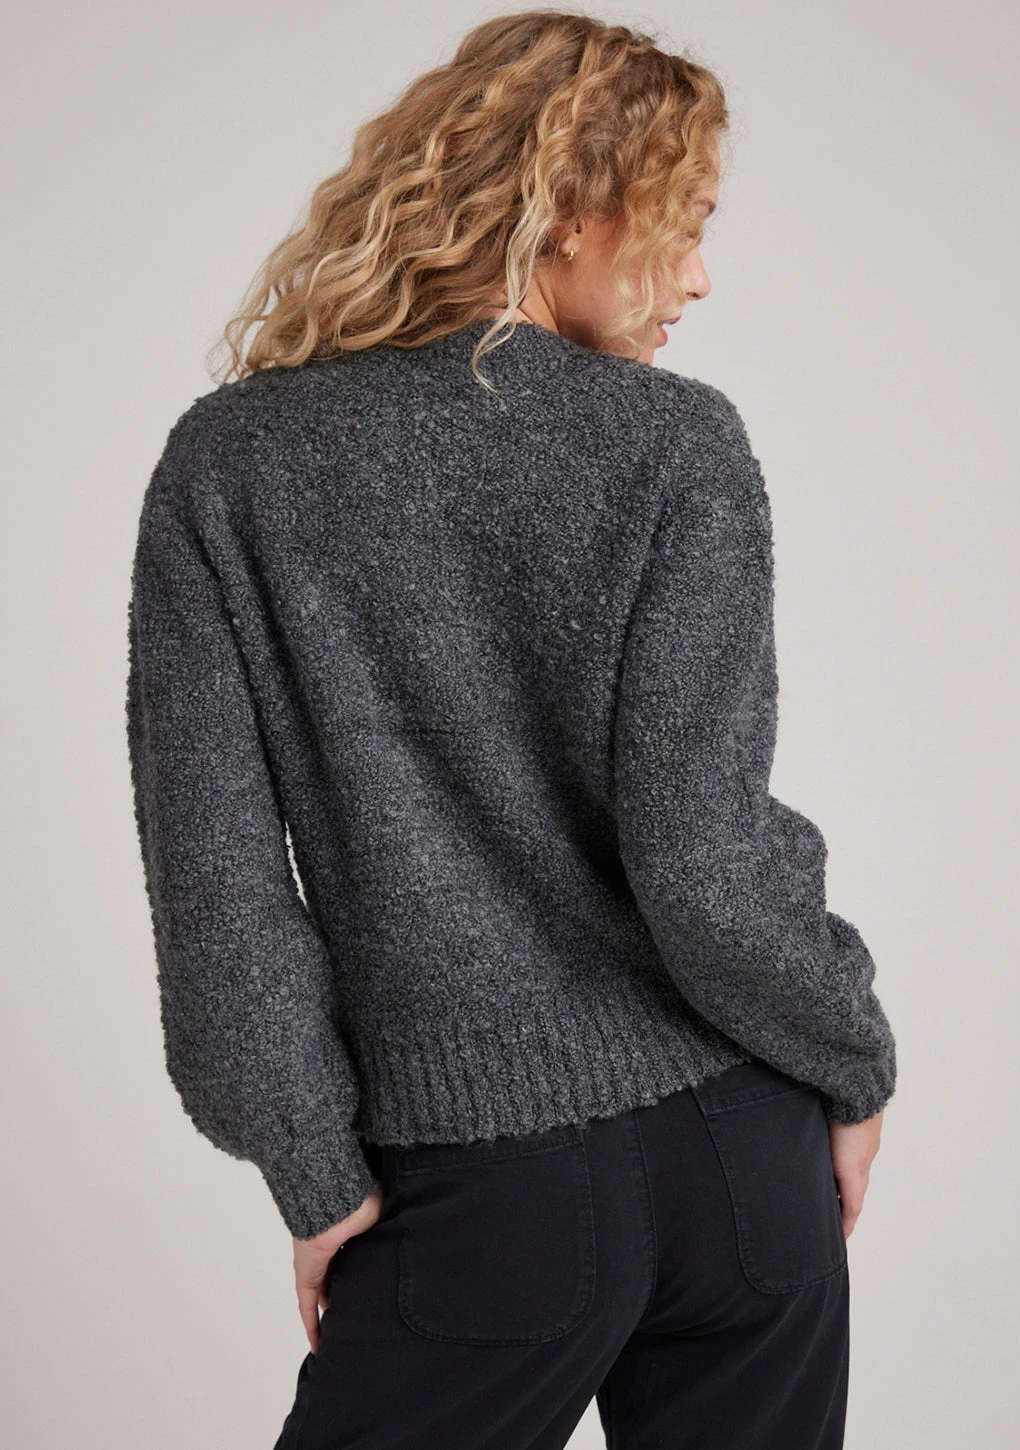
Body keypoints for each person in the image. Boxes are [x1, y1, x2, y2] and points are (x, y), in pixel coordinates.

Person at [124, 11, 897, 1449]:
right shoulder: (676, 443)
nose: (700, 277)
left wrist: (313, 1176)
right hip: (746, 1164)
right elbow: (709, 862)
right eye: (681, 228)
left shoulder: (231, 466)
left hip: (485, 1192)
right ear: (565, 214)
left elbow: (222, 906)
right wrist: (849, 1058)